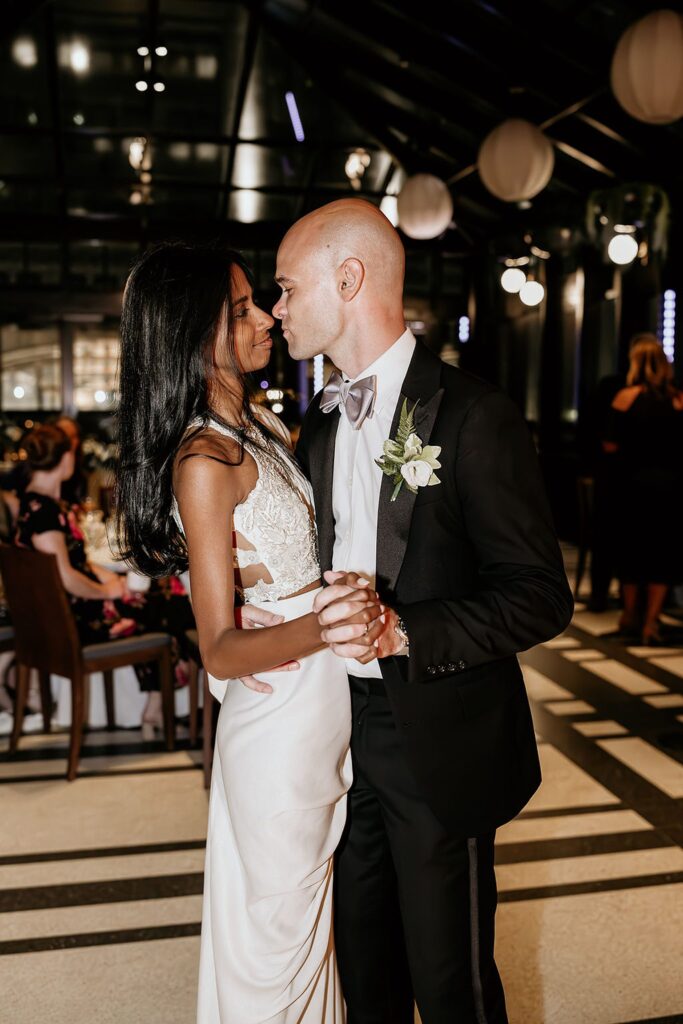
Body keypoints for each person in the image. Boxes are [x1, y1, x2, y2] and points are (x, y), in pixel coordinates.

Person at [267, 198, 574, 1024]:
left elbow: (542, 596)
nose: (277, 308)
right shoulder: (319, 427)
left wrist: (404, 629)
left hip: (439, 734)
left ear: (348, 277)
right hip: (336, 731)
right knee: (362, 968)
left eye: (287, 288)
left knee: (451, 984)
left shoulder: (474, 415)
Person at [115, 242, 380, 1022]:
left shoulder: (259, 423)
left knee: (307, 923)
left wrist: (311, 603)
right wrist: (320, 624)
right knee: (280, 930)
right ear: (197, 337)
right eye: (241, 311)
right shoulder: (204, 459)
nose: (266, 315)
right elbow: (221, 651)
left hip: (314, 700)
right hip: (277, 724)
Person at [14, 423, 195, 728]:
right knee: (169, 605)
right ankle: (159, 704)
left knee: (161, 597)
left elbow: (75, 563)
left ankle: (157, 702)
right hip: (78, 621)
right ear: (66, 458)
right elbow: (67, 578)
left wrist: (109, 580)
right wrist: (109, 592)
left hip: (67, 613)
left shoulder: (34, 503)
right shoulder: (44, 513)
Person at [603, 334, 683, 645]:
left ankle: (629, 616)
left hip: (632, 487)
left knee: (631, 549)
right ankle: (651, 622)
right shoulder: (678, 400)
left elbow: (609, 444)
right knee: (661, 553)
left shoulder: (625, 398)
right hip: (670, 488)